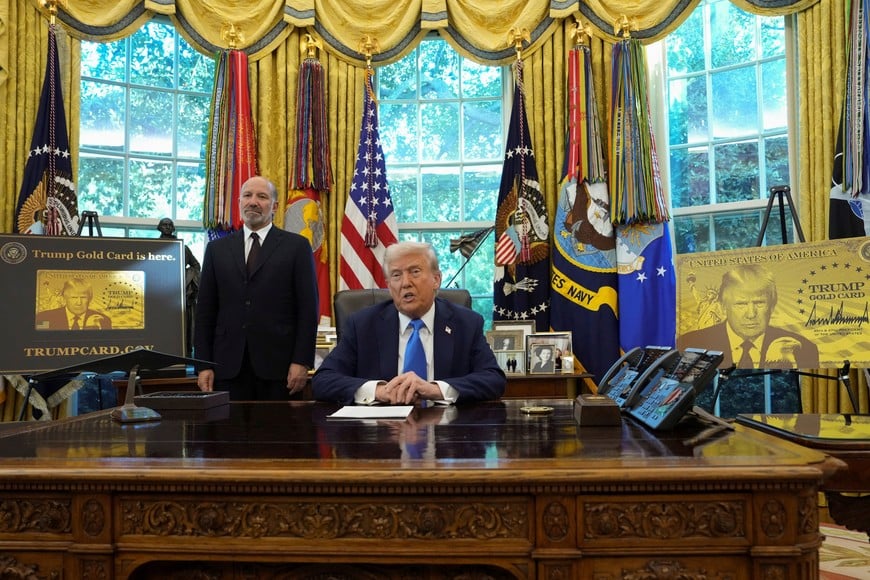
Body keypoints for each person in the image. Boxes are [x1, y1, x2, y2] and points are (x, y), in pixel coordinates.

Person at [311, 241, 505, 405]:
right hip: (381, 438)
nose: (405, 283)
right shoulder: (363, 325)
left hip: (448, 436)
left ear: (436, 279)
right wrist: (379, 391)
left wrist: (435, 390)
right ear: (388, 285)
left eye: (415, 272)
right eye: (396, 275)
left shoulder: (466, 323)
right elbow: (323, 380)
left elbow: (494, 379)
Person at [193, 176, 319, 400]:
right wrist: (203, 364)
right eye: (248, 195)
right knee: (226, 434)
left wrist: (302, 361)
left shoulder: (297, 247)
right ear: (239, 202)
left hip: (279, 369)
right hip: (226, 367)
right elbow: (205, 311)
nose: (253, 202)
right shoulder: (216, 250)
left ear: (275, 206)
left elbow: (308, 310)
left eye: (262, 197)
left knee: (275, 433)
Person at [679, 264, 819, 369]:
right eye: (741, 304)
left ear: (772, 305)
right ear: (723, 307)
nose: (751, 314)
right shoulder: (690, 344)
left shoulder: (804, 348)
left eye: (759, 303)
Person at [157, 217, 201, 357]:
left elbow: (196, 266)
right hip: (159, 293)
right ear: (159, 227)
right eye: (165, 225)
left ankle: (185, 353)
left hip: (181, 295)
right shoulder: (153, 246)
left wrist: (187, 280)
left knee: (183, 329)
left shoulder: (183, 248)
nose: (168, 227)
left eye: (170, 225)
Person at [36, 278, 112, 330]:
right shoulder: (43, 318)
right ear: (64, 298)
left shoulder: (104, 320)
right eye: (74, 297)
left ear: (90, 298)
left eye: (83, 297)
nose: (79, 303)